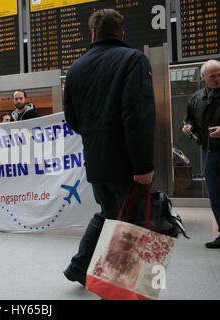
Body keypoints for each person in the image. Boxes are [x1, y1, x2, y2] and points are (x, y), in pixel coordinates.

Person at [62, 9, 155, 286]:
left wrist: (95, 137)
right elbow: (138, 117)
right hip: (127, 163)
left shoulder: (76, 68)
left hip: (97, 160)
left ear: (93, 34)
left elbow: (72, 119)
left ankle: (79, 268)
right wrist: (142, 166)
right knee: (132, 223)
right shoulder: (133, 60)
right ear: (122, 33)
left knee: (107, 212)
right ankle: (119, 288)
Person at [182, 60, 220, 255]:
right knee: (216, 197)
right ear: (203, 77)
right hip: (208, 151)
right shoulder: (196, 98)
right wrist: (188, 127)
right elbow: (190, 119)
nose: (218, 79)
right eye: (213, 75)